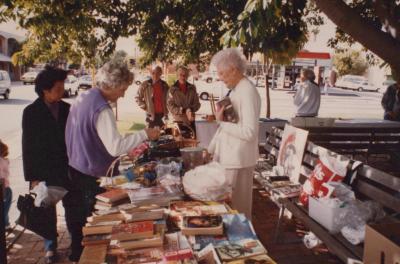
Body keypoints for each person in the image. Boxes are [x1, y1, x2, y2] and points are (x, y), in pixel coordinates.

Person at [65, 60, 160, 261]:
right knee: (95, 235)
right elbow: (115, 147)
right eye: (123, 89)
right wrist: (144, 134)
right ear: (112, 84)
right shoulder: (102, 109)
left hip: (76, 169)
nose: (124, 94)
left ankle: (77, 255)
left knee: (80, 227)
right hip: (91, 177)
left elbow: (93, 136)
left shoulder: (84, 97)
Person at [22, 66, 72, 263]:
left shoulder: (68, 109)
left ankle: (76, 241)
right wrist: (33, 177)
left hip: (67, 168)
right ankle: (50, 248)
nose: (63, 91)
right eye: (58, 88)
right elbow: (28, 147)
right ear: (45, 89)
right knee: (46, 210)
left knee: (72, 206)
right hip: (43, 170)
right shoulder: (31, 112)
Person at [208, 48, 261, 219]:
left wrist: (221, 122)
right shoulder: (238, 88)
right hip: (233, 158)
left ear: (234, 69)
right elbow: (234, 123)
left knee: (238, 212)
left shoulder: (246, 90)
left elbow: (249, 132)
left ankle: (242, 244)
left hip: (239, 160)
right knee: (232, 211)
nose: (221, 78)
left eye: (222, 73)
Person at [167, 66, 201, 137]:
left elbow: (197, 104)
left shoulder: (192, 88)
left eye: (185, 75)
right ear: (177, 75)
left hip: (191, 121)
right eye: (181, 74)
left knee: (193, 144)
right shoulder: (172, 90)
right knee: (180, 145)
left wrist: (190, 110)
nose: (183, 76)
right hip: (178, 122)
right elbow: (170, 106)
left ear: (188, 76)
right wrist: (183, 110)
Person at [0, 140, 12, 231]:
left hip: (3, 187)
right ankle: (6, 224)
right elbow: (4, 175)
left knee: (3, 208)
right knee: (5, 207)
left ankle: (6, 224)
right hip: (5, 188)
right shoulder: (4, 160)